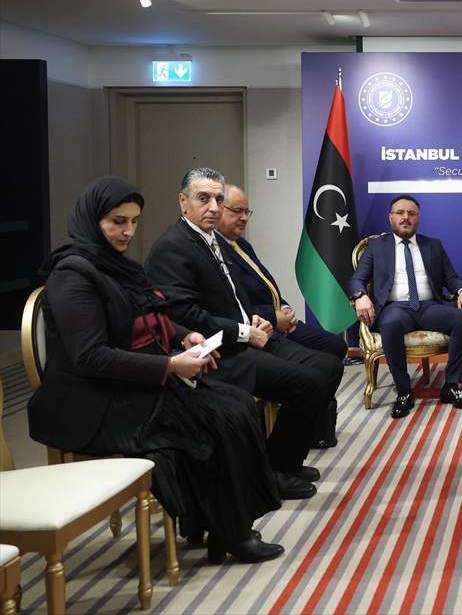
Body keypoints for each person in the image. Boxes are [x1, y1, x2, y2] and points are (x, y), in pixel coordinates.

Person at [27, 176, 285, 564]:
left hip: (127, 386)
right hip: (91, 404)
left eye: (133, 221)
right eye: (117, 222)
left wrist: (184, 336)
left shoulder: (116, 266)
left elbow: (150, 315)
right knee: (220, 415)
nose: (128, 232)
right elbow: (91, 357)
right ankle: (230, 531)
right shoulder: (72, 276)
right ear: (93, 220)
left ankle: (224, 527)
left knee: (234, 404)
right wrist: (170, 364)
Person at [146, 168, 344, 499]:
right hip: (218, 353)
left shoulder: (215, 241)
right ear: (183, 202)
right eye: (204, 199)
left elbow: (237, 299)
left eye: (218, 199)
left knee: (329, 366)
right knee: (308, 384)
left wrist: (256, 321)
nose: (213, 207)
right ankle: (274, 471)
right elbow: (184, 317)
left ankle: (285, 459)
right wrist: (244, 332)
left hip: (247, 338)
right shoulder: (173, 247)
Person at [349, 194, 462, 418]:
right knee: (391, 324)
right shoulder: (376, 246)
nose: (405, 217)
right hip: (395, 308)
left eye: (411, 213)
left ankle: (451, 385)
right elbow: (357, 280)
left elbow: (451, 277)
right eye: (400, 212)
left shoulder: (432, 245)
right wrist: (361, 296)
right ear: (391, 218)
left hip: (428, 307)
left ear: (418, 218)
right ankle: (404, 391)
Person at [216, 185, 349, 360]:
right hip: (259, 326)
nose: (244, 218)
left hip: (278, 317)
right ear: (218, 209)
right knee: (318, 362)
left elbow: (264, 284)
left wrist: (284, 309)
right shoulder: (216, 250)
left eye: (247, 212)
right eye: (237, 211)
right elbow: (234, 303)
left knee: (336, 345)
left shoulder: (241, 244)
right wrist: (274, 318)